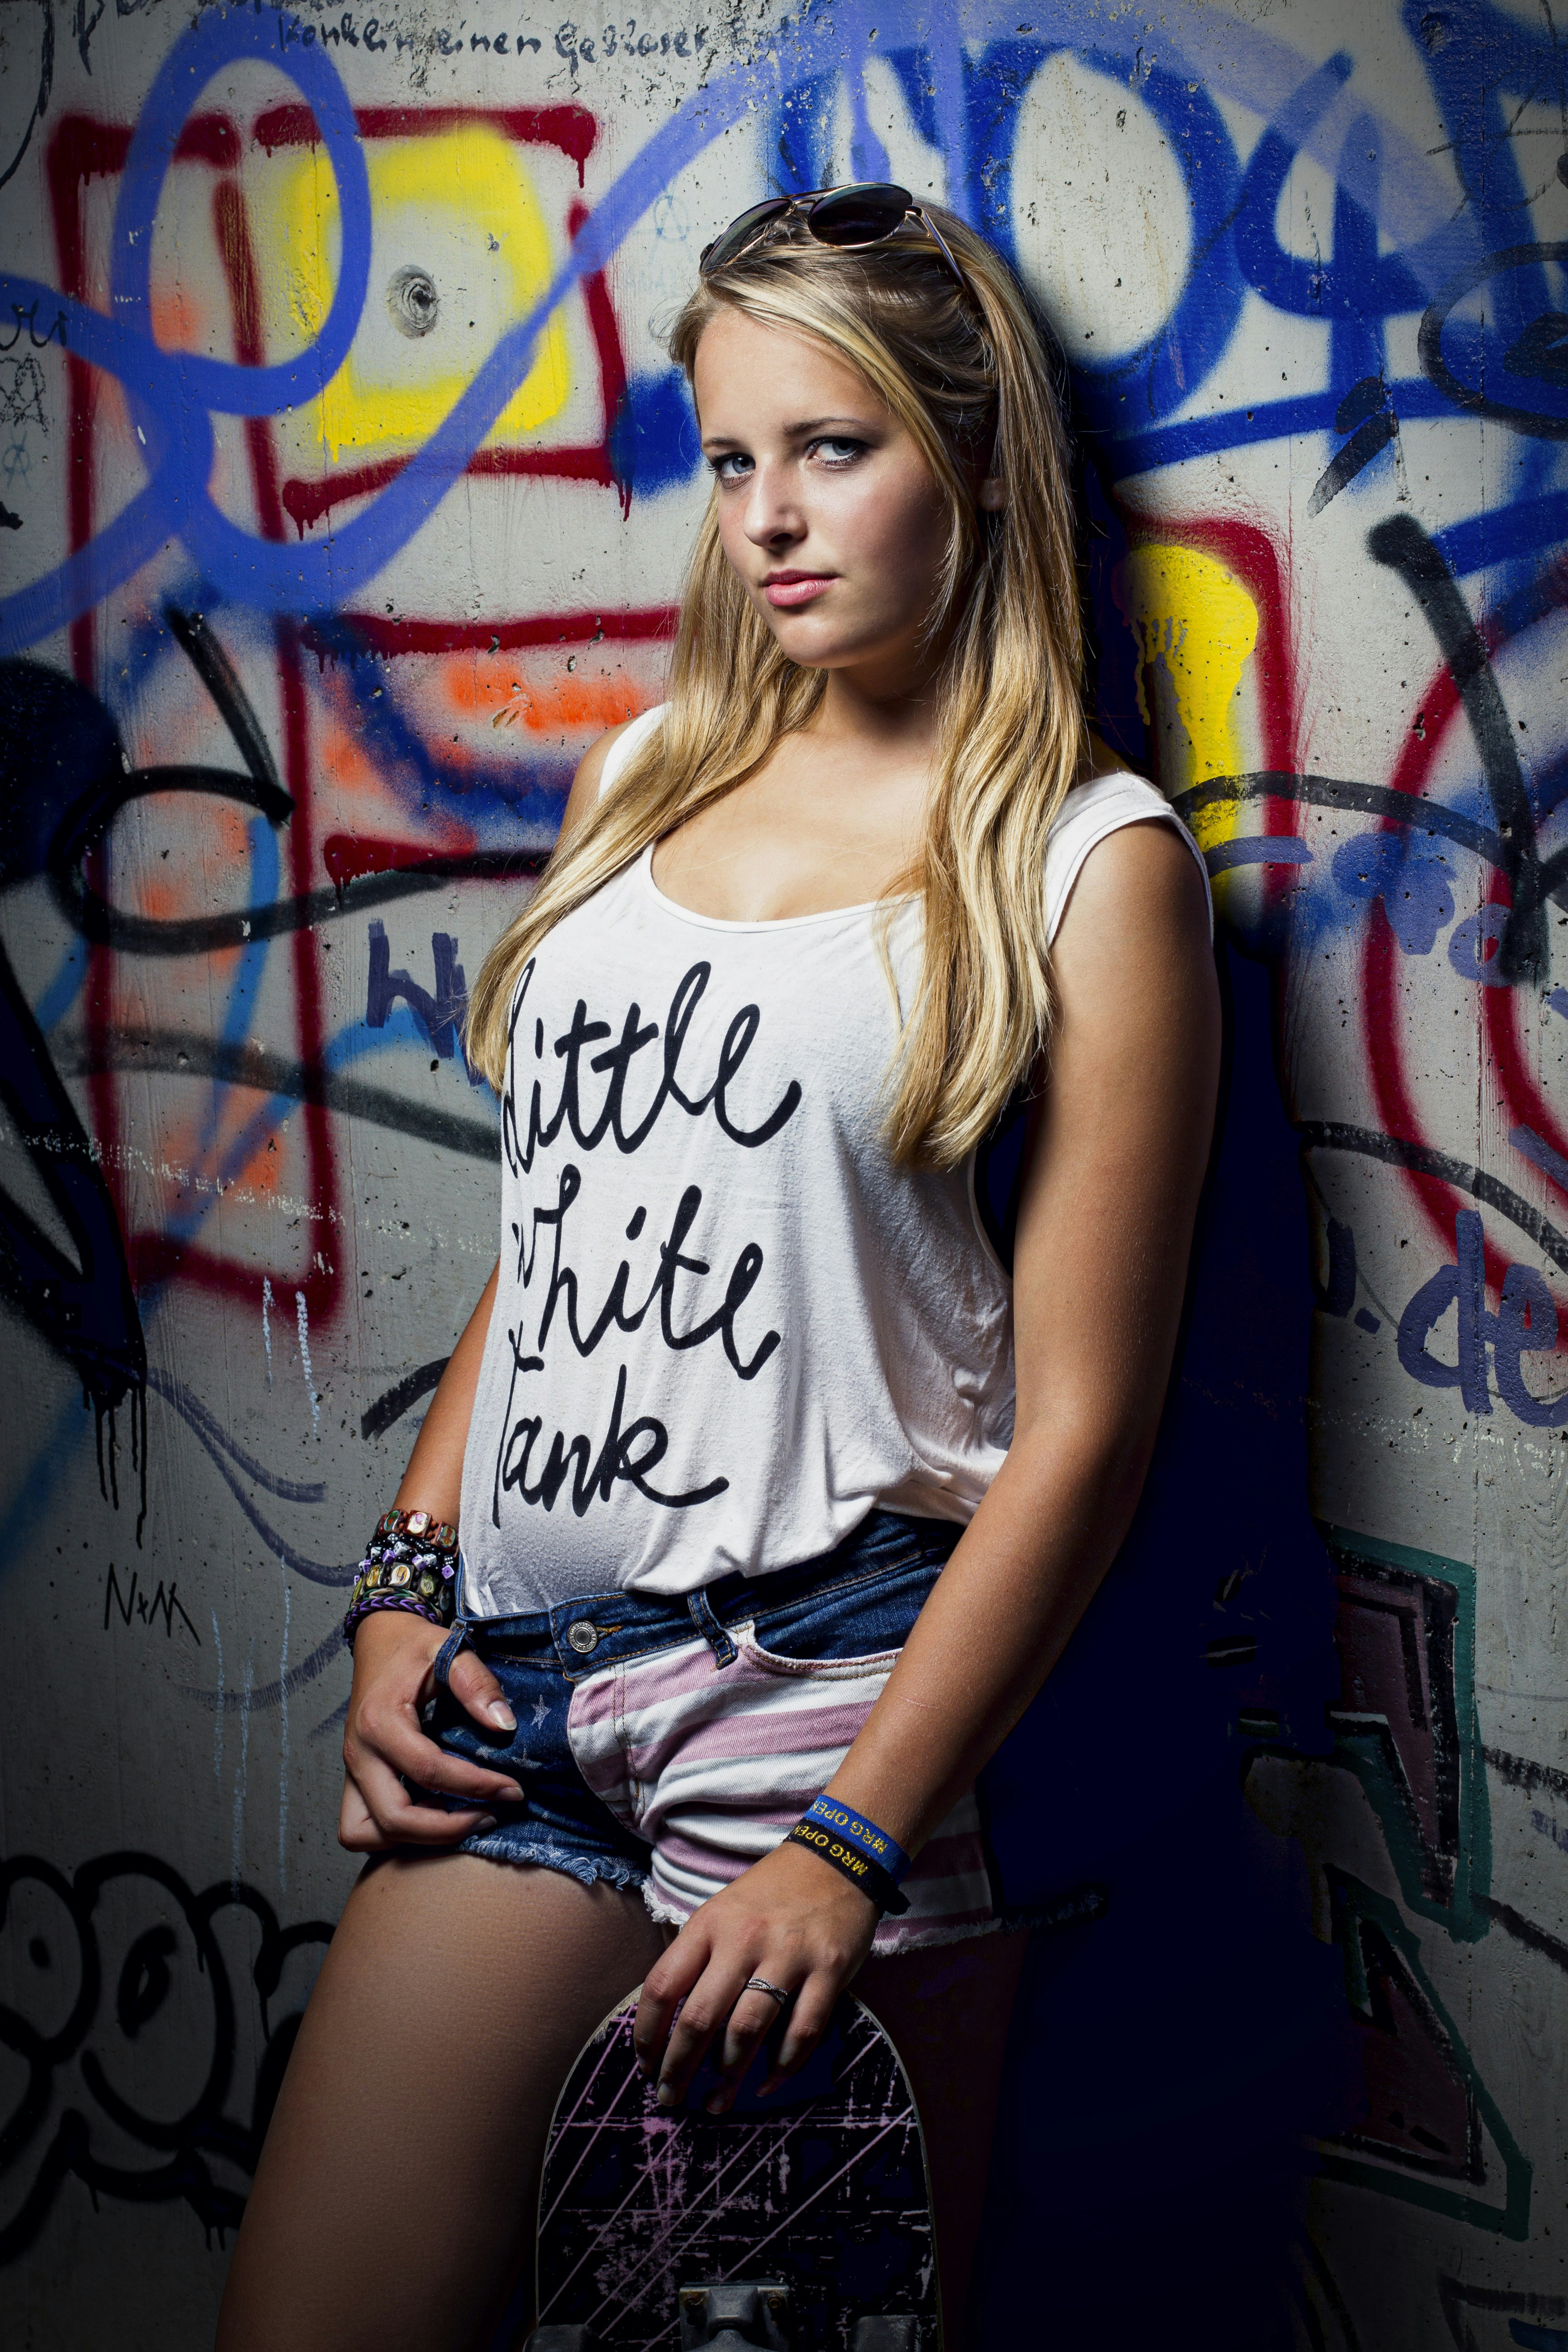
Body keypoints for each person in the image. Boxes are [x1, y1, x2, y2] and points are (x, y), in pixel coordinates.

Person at [217, 184, 1220, 2352]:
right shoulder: (653, 773)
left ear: (972, 459)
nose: (769, 519)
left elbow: (1085, 1432)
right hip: (529, 1696)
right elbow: (563, 1227)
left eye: (833, 449)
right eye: (733, 457)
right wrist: (406, 1593)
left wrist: (856, 1839)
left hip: (832, 1707)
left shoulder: (1083, 864)